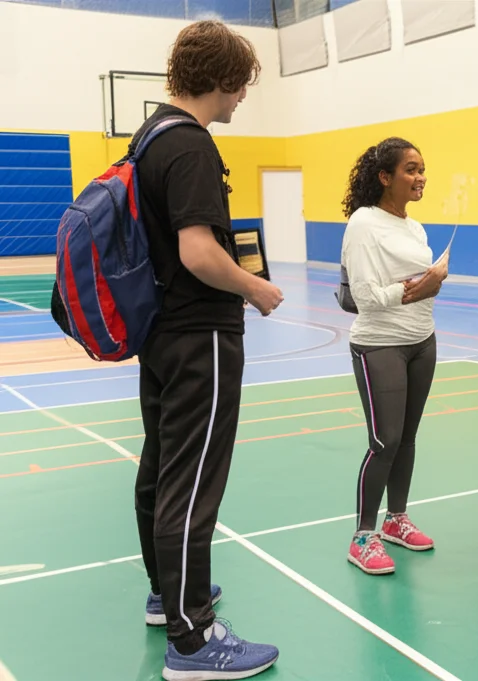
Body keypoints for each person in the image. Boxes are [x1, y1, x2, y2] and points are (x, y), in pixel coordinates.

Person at [132, 20, 282, 681]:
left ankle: (167, 596)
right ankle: (193, 641)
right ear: (220, 79)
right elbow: (197, 251)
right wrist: (255, 288)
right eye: (240, 85)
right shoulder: (190, 144)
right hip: (201, 336)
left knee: (161, 469)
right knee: (191, 484)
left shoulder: (150, 136)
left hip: (161, 332)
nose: (242, 97)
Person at [341, 137, 447, 576]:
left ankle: (396, 520)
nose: (420, 177)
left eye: (422, 169)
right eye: (411, 169)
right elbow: (365, 297)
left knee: (407, 438)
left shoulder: (415, 228)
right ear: (385, 177)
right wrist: (417, 289)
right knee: (385, 440)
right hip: (379, 344)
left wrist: (430, 282)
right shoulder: (364, 223)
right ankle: (363, 536)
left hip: (422, 340)